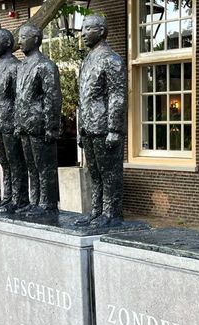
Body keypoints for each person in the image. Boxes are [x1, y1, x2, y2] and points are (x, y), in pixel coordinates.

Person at [75, 14, 127, 227]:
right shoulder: (87, 61)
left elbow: (118, 95)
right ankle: (95, 211)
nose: (83, 33)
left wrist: (114, 128)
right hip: (89, 127)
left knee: (109, 173)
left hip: (104, 127)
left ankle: (111, 214)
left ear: (102, 31)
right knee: (94, 173)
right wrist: (80, 128)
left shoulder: (112, 59)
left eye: (88, 28)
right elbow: (83, 98)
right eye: (82, 29)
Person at [14, 24, 62, 216]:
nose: (19, 41)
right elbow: (19, 97)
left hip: (40, 125)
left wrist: (51, 126)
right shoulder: (22, 66)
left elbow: (53, 97)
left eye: (23, 37)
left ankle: (48, 203)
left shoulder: (46, 65)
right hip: (25, 125)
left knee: (45, 167)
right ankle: (35, 201)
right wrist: (18, 123)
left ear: (35, 39)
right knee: (31, 167)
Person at [0, 29, 28, 214]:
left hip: (11, 122)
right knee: (4, 162)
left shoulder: (15, 67)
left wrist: (19, 122)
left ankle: (19, 199)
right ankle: (7, 197)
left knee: (16, 162)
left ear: (6, 43)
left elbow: (20, 99)